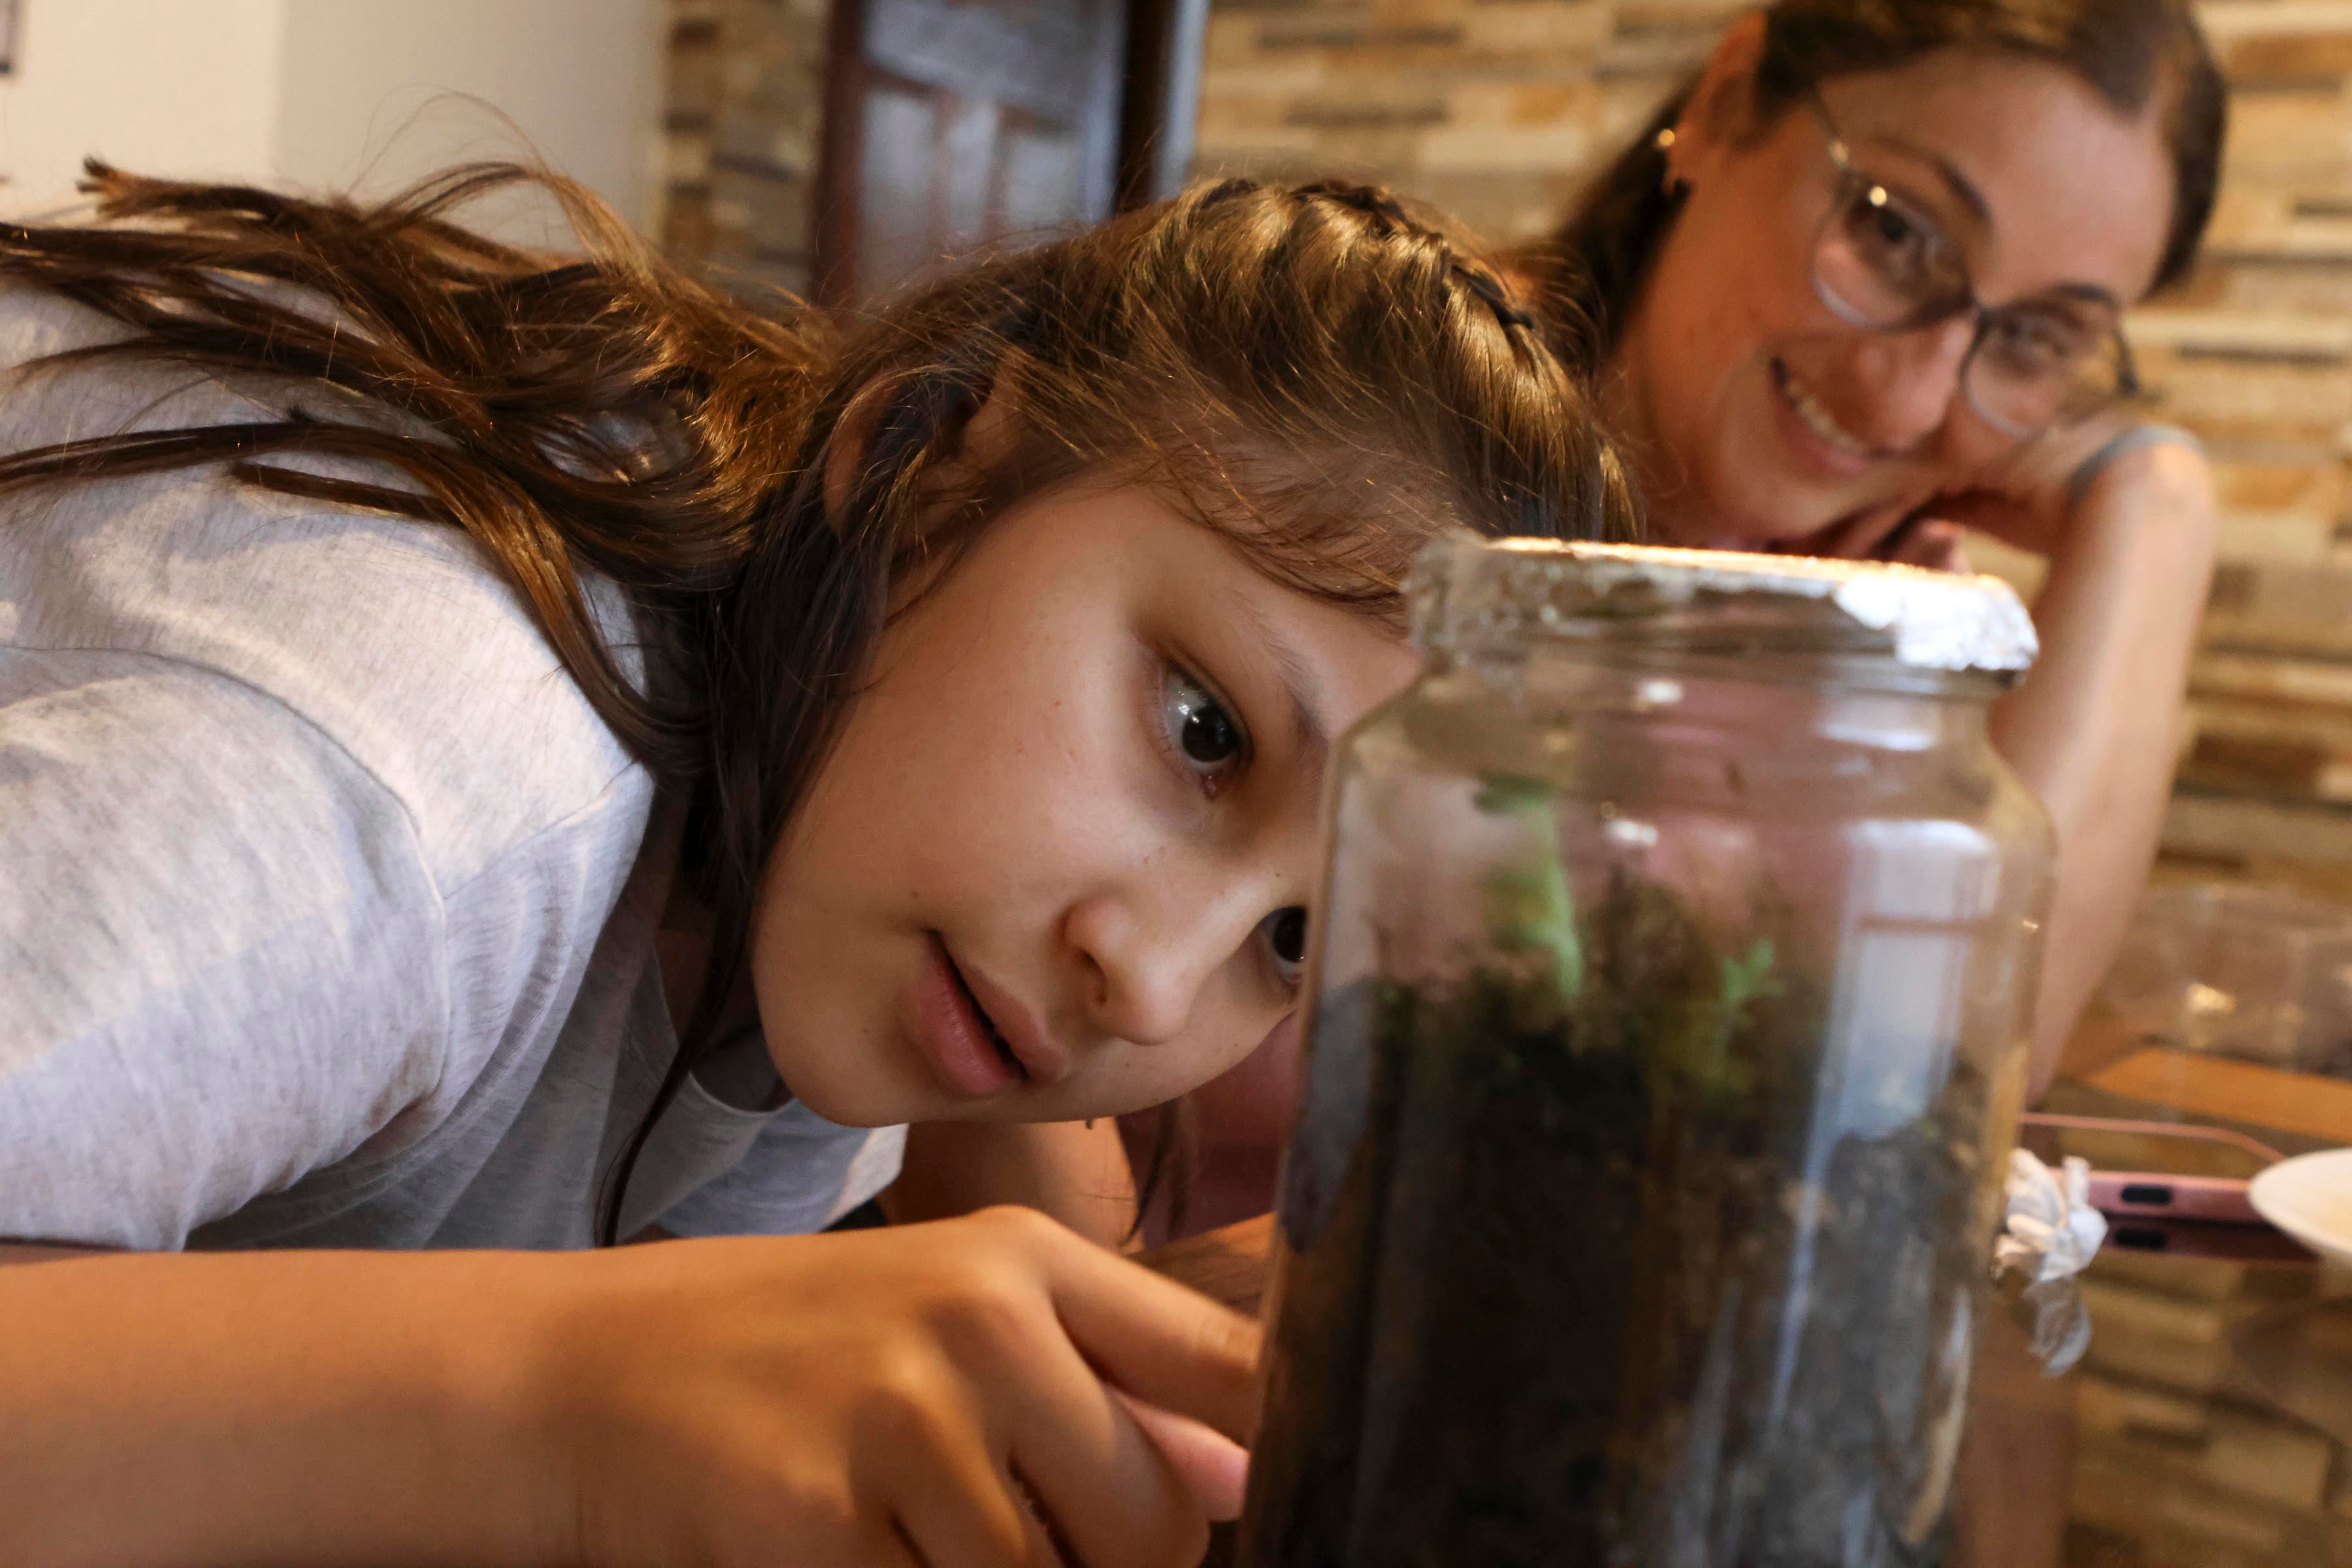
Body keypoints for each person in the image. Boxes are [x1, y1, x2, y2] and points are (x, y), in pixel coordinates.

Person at [0, 165, 1633, 1566]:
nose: (1152, 980)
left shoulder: (846, 870)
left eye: (1291, 939)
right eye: (1205, 728)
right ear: (921, 473)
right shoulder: (426, 773)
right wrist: (567, 1406)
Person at [1162, 0, 2231, 1238]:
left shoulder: (1861, 628)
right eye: (1895, 234)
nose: (1916, 391)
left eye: (2037, 336)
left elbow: (1927, 1100)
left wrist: (2155, 510)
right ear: (1727, 105)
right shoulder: (1386, 416)